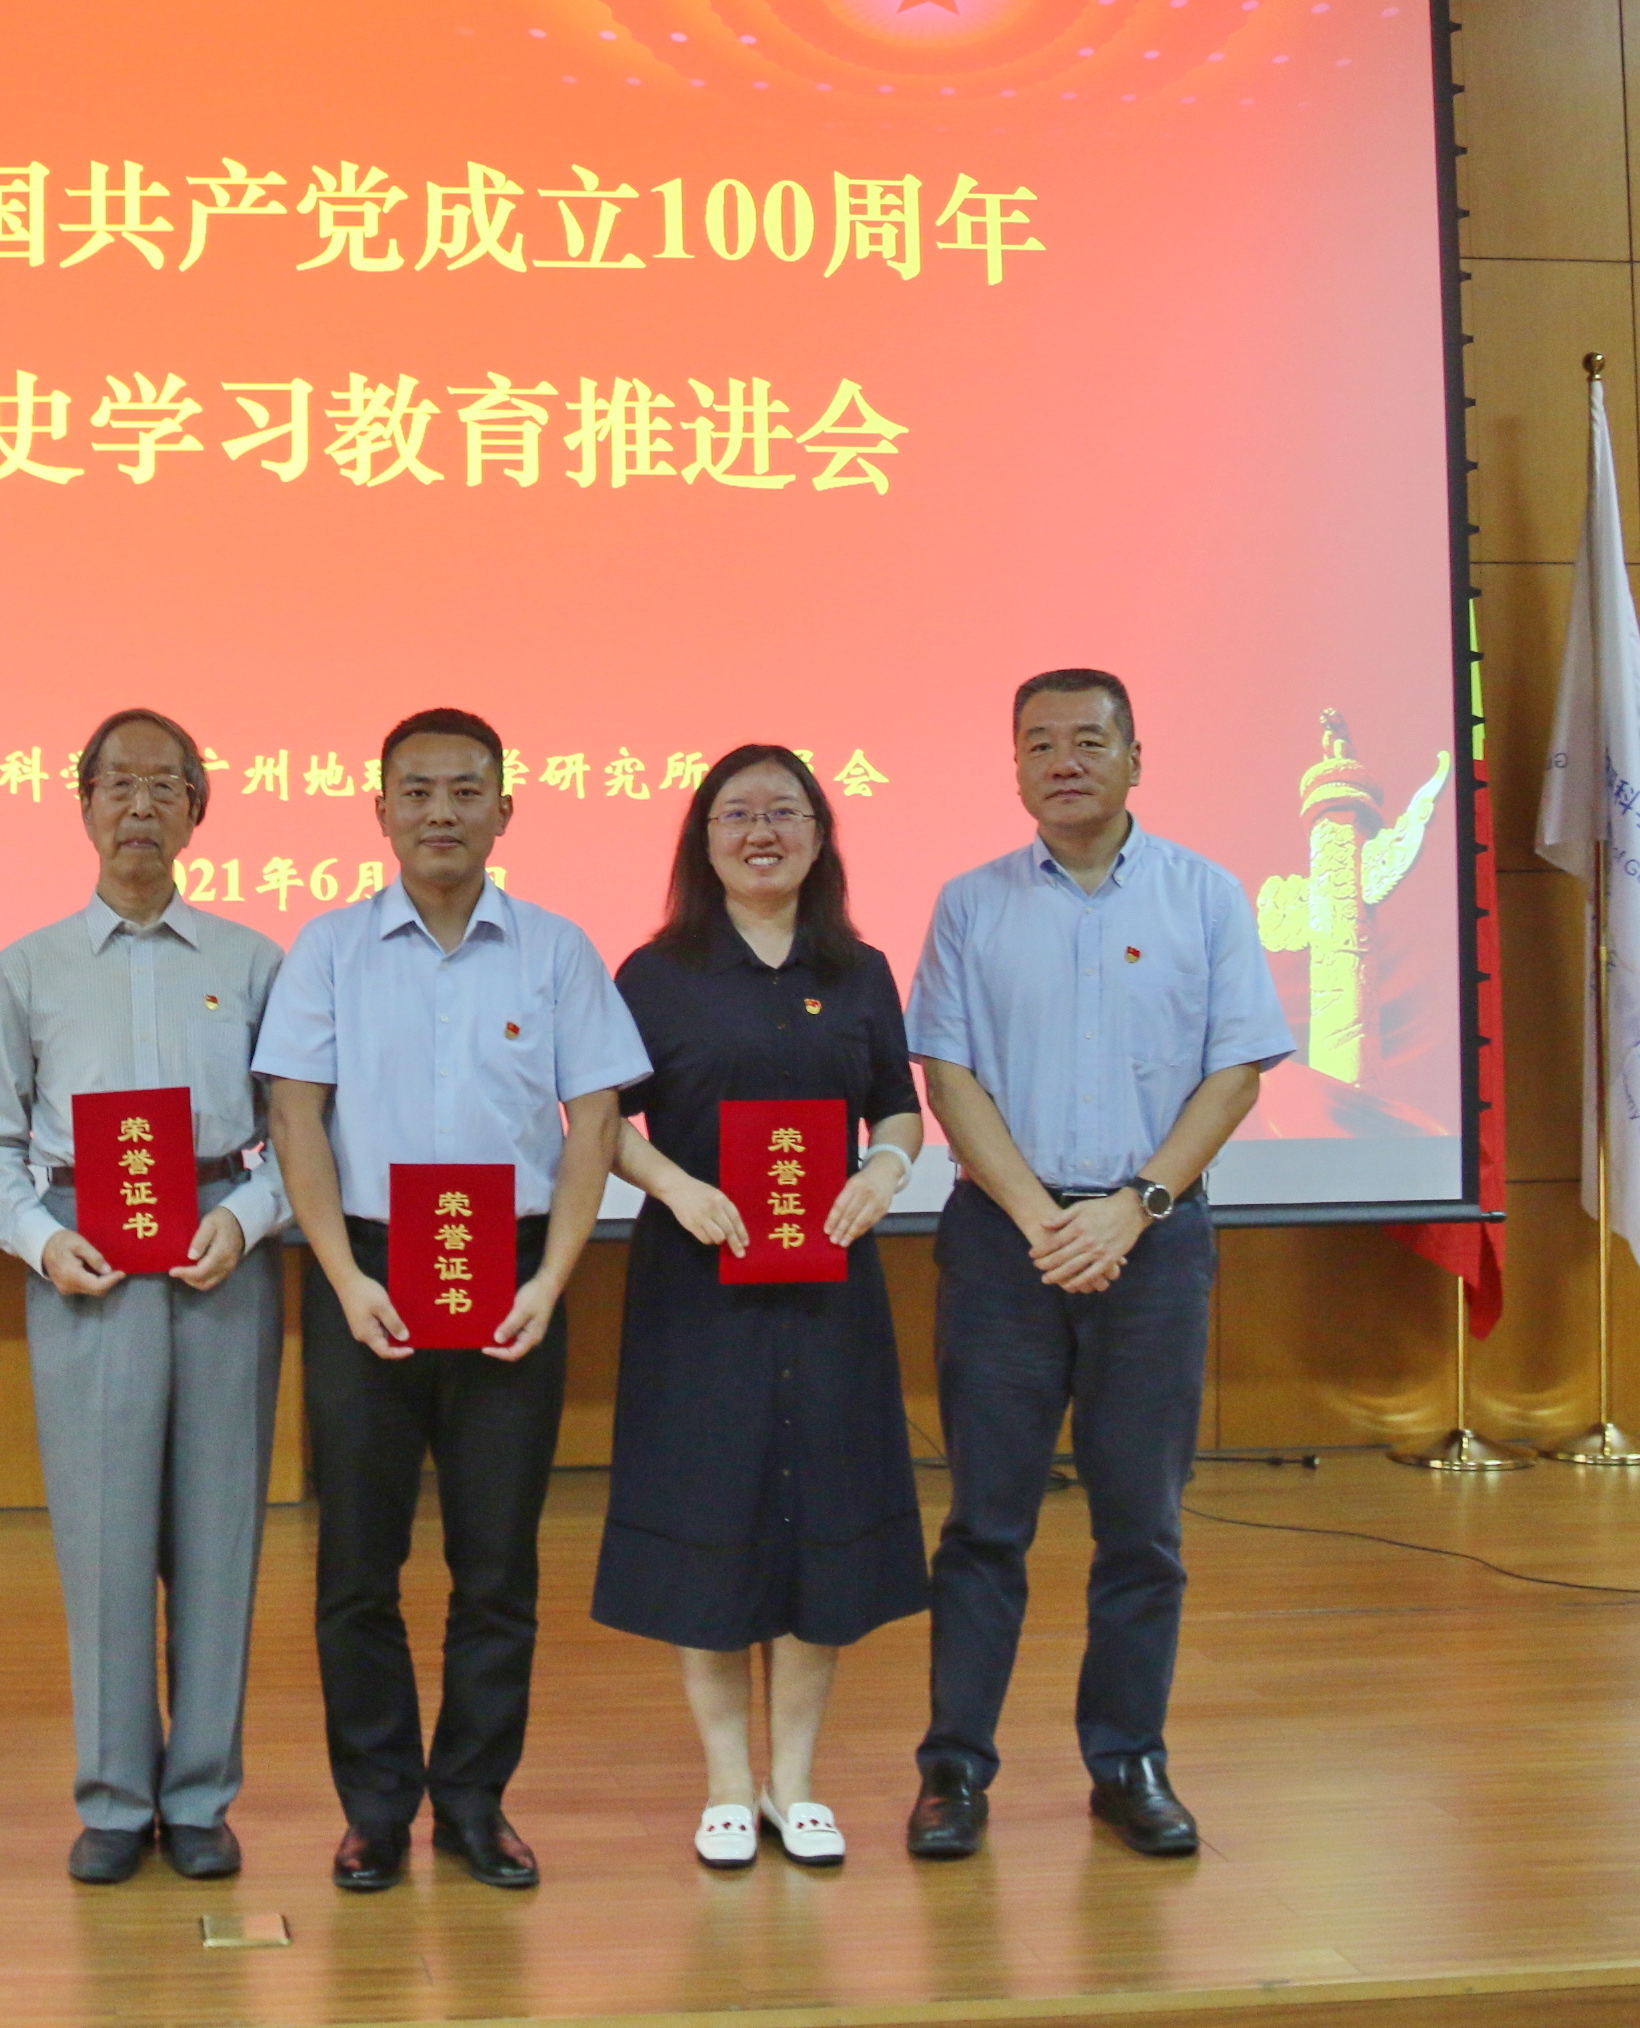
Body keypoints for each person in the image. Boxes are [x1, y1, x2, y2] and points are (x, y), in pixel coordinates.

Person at [256, 708, 651, 1893]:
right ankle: (376, 1807)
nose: (441, 811)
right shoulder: (329, 947)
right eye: (418, 790)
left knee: (498, 1564)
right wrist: (342, 1274)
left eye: (466, 790)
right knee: (357, 1565)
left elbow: (595, 1123)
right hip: (367, 1268)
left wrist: (552, 1277)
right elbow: (294, 1117)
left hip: (515, 1271)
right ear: (378, 808)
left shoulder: (558, 950)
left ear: (505, 809)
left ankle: (475, 1800)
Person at [903, 670, 1291, 1861]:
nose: (1063, 761)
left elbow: (1237, 1069)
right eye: (1039, 743)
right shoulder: (970, 903)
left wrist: (1135, 1205)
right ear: (1015, 766)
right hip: (1003, 1242)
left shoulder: (1204, 895)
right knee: (985, 1522)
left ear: (1135, 758)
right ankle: (955, 1768)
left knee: (1142, 1524)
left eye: (1087, 739)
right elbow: (948, 1076)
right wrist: (1040, 1217)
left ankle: (1130, 1761)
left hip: (1152, 1242)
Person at [0, 708, 291, 1886]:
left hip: (219, 1249)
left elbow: (304, 1134)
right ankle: (112, 1793)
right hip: (85, 1262)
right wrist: (42, 1241)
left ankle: (199, 1794)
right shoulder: (28, 966)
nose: (141, 805)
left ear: (199, 808)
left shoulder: (254, 962)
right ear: (84, 804)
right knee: (102, 1537)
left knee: (220, 1531)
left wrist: (246, 1218)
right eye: (119, 784)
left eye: (165, 785)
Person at [598, 746, 931, 1870]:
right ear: (703, 839)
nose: (761, 832)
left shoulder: (860, 968)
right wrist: (676, 1187)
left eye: (784, 811)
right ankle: (728, 1785)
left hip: (830, 1287)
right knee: (714, 1517)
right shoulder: (657, 973)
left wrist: (885, 1170)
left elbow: (897, 1106)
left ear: (819, 833)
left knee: (817, 1519)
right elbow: (599, 1119)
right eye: (736, 813)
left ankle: (796, 1782)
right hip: (699, 1288)